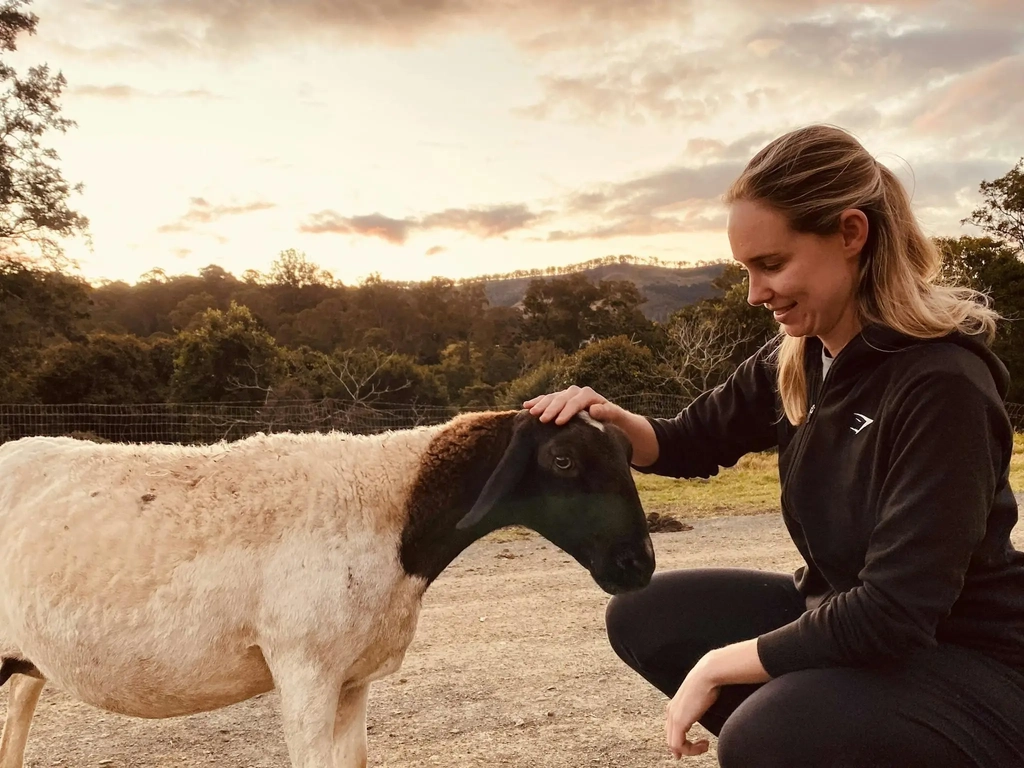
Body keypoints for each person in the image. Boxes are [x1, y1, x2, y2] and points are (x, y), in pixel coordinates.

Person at [525, 125, 1024, 767]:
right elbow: (687, 443)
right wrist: (608, 423)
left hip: (966, 659)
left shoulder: (942, 384)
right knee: (646, 616)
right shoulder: (798, 357)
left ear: (851, 234)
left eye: (772, 264)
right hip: (855, 620)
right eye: (747, 269)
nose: (756, 293)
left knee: (770, 730)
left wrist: (721, 666)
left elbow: (896, 611)